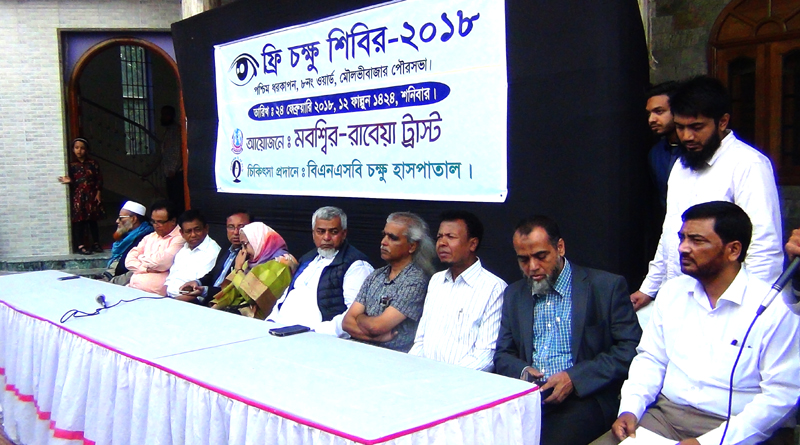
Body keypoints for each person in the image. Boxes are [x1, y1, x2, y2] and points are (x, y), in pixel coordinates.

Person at [592, 201, 800, 445]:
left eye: (697, 240)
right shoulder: (672, 292)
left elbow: (780, 395)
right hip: (666, 417)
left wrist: (708, 442)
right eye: (682, 238)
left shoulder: (773, 308)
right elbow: (651, 359)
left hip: (737, 426)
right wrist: (630, 409)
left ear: (733, 250)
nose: (683, 248)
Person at [630, 76, 783, 315]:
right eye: (680, 127)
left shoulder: (748, 164)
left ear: (722, 122)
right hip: (680, 297)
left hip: (726, 301)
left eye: (696, 127)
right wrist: (649, 288)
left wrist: (751, 307)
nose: (687, 137)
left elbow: (764, 244)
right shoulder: (681, 165)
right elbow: (670, 231)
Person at [494, 215, 642, 445]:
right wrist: (523, 371)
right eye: (523, 259)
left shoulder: (605, 287)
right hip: (530, 398)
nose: (532, 267)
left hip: (585, 396)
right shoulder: (515, 294)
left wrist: (575, 377)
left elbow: (631, 348)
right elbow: (503, 354)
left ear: (560, 247)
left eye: (541, 256)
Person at [409, 210, 507, 371]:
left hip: (463, 381)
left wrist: (448, 378)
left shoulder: (494, 288)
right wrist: (411, 369)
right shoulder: (436, 281)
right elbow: (421, 341)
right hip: (423, 376)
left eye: (450, 237)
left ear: (472, 244)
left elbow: (485, 355)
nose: (442, 243)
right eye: (439, 237)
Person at [267, 207, 373, 337]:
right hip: (280, 330)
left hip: (316, 337)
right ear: (313, 234)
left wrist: (318, 332)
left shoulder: (357, 265)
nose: (326, 237)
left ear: (344, 234)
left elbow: (355, 314)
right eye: (321, 232)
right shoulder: (308, 258)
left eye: (333, 232)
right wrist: (270, 321)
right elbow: (286, 295)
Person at [342, 212, 435, 352]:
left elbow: (377, 327)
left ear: (412, 246)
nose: (383, 242)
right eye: (384, 235)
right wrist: (376, 338)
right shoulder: (376, 275)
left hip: (392, 358)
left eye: (393, 238)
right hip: (359, 351)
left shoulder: (416, 281)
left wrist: (360, 318)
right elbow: (347, 323)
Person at [210, 222, 297, 319]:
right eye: (242, 246)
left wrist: (238, 269)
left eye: (245, 245)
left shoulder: (282, 264)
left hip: (260, 320)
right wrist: (214, 309)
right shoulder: (252, 261)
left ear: (257, 241)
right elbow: (232, 291)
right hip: (238, 314)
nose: (244, 250)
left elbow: (253, 297)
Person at [179, 209, 251, 305]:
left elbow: (234, 290)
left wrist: (205, 291)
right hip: (209, 300)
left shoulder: (250, 255)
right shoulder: (226, 247)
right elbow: (213, 274)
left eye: (241, 227)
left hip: (225, 304)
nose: (236, 232)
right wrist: (197, 282)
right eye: (231, 227)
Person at [125, 200, 185, 296]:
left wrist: (141, 258)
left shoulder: (180, 237)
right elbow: (129, 261)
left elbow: (162, 263)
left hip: (155, 294)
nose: (156, 225)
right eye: (153, 221)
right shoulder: (150, 237)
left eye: (160, 222)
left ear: (173, 221)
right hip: (132, 288)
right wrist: (146, 269)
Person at [58, 137, 104, 255]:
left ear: (86, 149)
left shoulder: (92, 164)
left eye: (82, 148)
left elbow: (99, 179)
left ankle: (96, 243)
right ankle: (80, 245)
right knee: (79, 220)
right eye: (77, 148)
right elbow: (72, 181)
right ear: (73, 149)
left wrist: (98, 193)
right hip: (78, 196)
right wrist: (69, 181)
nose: (79, 150)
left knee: (92, 220)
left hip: (91, 195)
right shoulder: (71, 165)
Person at [164, 210, 221, 300]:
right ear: (181, 233)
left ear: (206, 229)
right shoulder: (184, 249)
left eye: (197, 230)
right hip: (169, 297)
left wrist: (170, 302)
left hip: (188, 301)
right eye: (188, 231)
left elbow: (197, 292)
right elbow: (170, 279)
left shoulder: (212, 252)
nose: (193, 235)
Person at [645, 81, 682, 210]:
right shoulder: (656, 153)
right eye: (649, 114)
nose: (651, 119)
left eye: (659, 111)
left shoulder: (697, 149)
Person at [102, 201, 153, 285]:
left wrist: (113, 281)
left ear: (134, 219)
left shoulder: (146, 237)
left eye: (121, 218)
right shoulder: (126, 235)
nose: (117, 221)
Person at [158, 105, 183, 212]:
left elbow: (177, 150)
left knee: (177, 201)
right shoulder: (168, 130)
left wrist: (173, 169)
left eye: (166, 114)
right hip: (170, 172)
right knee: (172, 199)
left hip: (176, 172)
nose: (163, 117)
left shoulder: (176, 130)